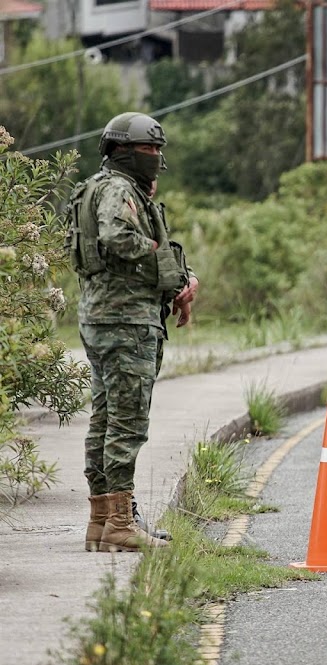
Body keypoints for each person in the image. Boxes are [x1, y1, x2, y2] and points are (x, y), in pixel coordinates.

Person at [66, 112, 199, 552]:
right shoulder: (118, 190)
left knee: (105, 418)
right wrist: (168, 269)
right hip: (125, 321)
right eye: (150, 148)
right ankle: (121, 524)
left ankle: (101, 520)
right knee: (126, 423)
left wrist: (180, 279)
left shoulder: (100, 186)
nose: (157, 157)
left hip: (102, 317)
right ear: (124, 151)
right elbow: (117, 237)